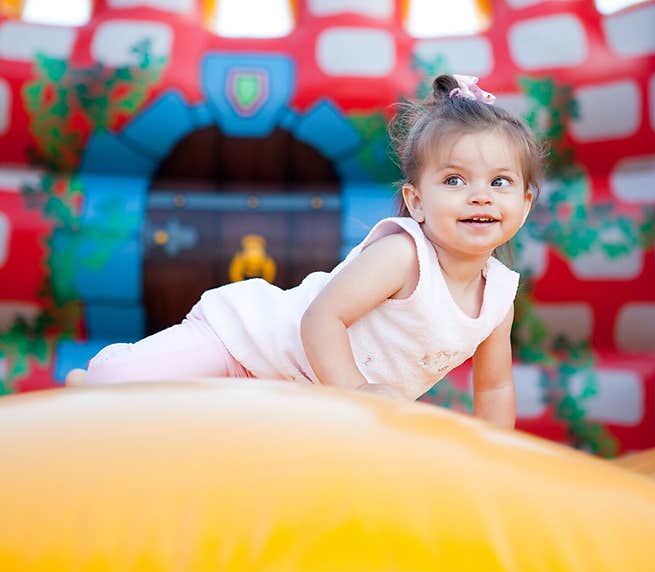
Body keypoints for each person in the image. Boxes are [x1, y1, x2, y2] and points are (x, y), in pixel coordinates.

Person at [67, 74, 544, 429]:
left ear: (525, 203)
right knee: (119, 392)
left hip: (300, 401)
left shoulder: (498, 295)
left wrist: (493, 456)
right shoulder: (404, 256)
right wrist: (357, 393)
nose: (480, 196)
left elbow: (494, 386)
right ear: (416, 201)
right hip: (247, 344)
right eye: (455, 180)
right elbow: (322, 319)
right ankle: (88, 382)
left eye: (500, 182)